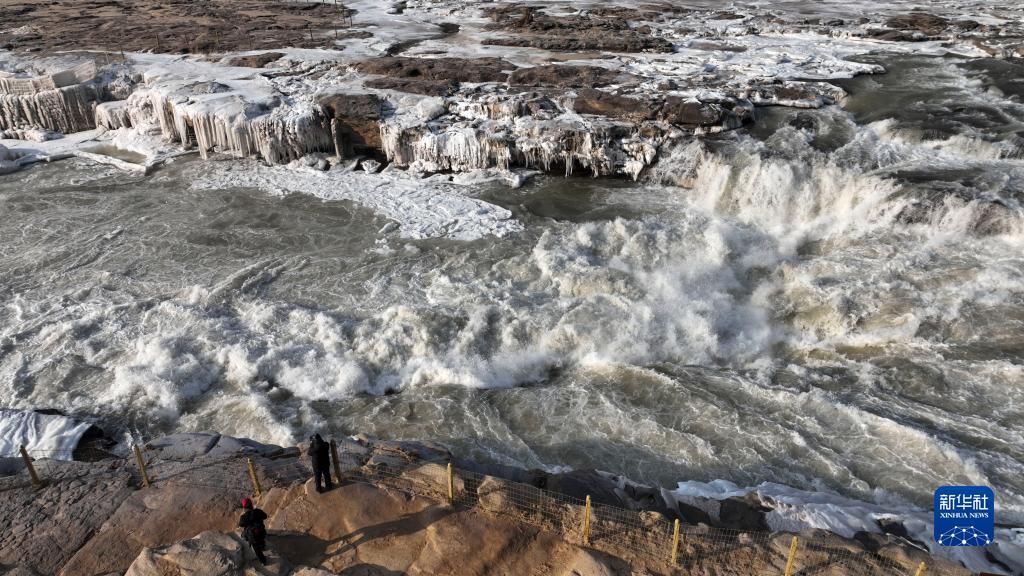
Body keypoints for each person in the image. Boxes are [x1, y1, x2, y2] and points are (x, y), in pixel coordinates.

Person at [238, 497, 268, 565]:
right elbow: (265, 516)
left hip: (253, 537)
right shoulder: (258, 511)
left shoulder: (244, 517)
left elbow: (241, 524)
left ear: (244, 507)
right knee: (260, 537)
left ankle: (263, 561)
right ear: (251, 505)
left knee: (256, 549)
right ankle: (263, 546)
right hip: (262, 533)